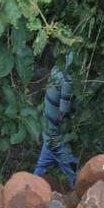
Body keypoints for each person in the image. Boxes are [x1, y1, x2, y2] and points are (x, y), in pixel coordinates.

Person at [33, 52, 78, 187]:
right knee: (74, 172)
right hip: (56, 137)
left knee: (40, 169)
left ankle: (27, 188)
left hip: (48, 131)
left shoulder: (55, 70)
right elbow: (64, 113)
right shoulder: (66, 81)